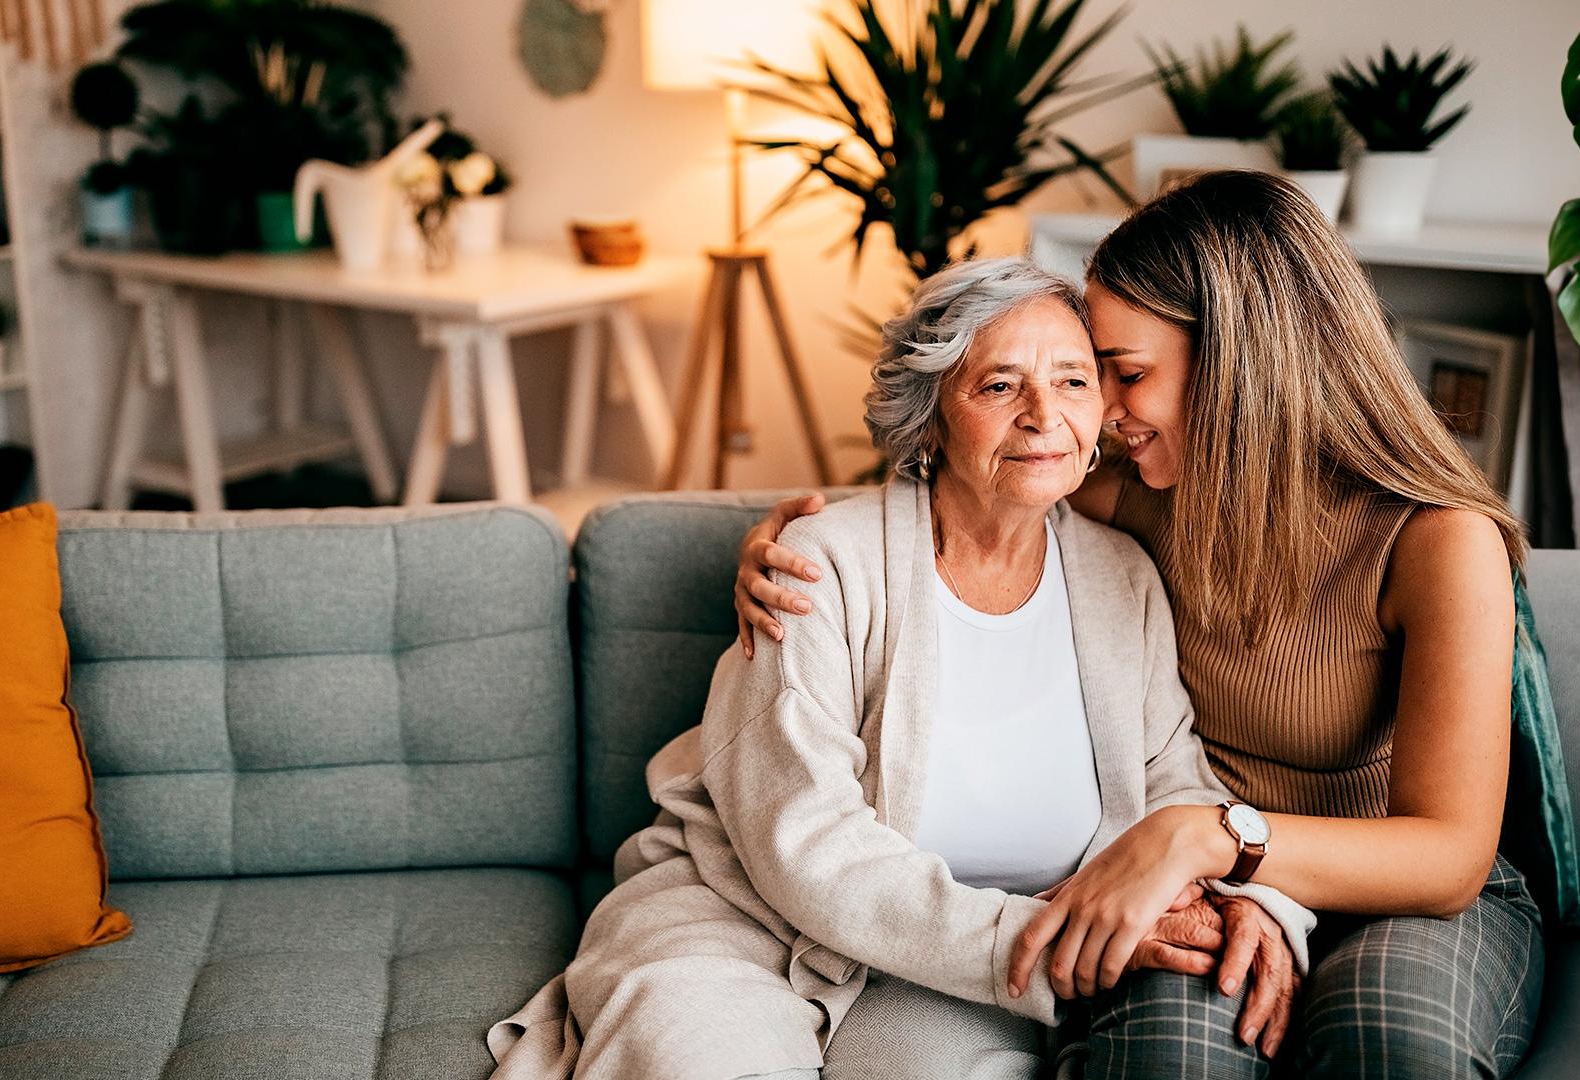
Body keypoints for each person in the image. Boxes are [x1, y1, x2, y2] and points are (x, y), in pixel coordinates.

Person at [734, 170, 1545, 1080]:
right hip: (1194, 887)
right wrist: (791, 541)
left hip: (1387, 895)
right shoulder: (1139, 500)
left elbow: (1448, 857)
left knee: (1393, 1045)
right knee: (1169, 1059)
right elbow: (972, 490)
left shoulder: (1438, 543)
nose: (1101, 413)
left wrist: (1209, 837)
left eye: (1124, 374)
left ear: (1241, 362)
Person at [489, 256, 1314, 1080]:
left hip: (946, 976)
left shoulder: (1122, 576)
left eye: (1072, 381)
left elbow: (1171, 780)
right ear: (930, 419)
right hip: (738, 924)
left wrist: (1242, 900)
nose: (1042, 416)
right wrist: (1039, 939)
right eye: (998, 386)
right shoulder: (819, 565)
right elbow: (801, 842)